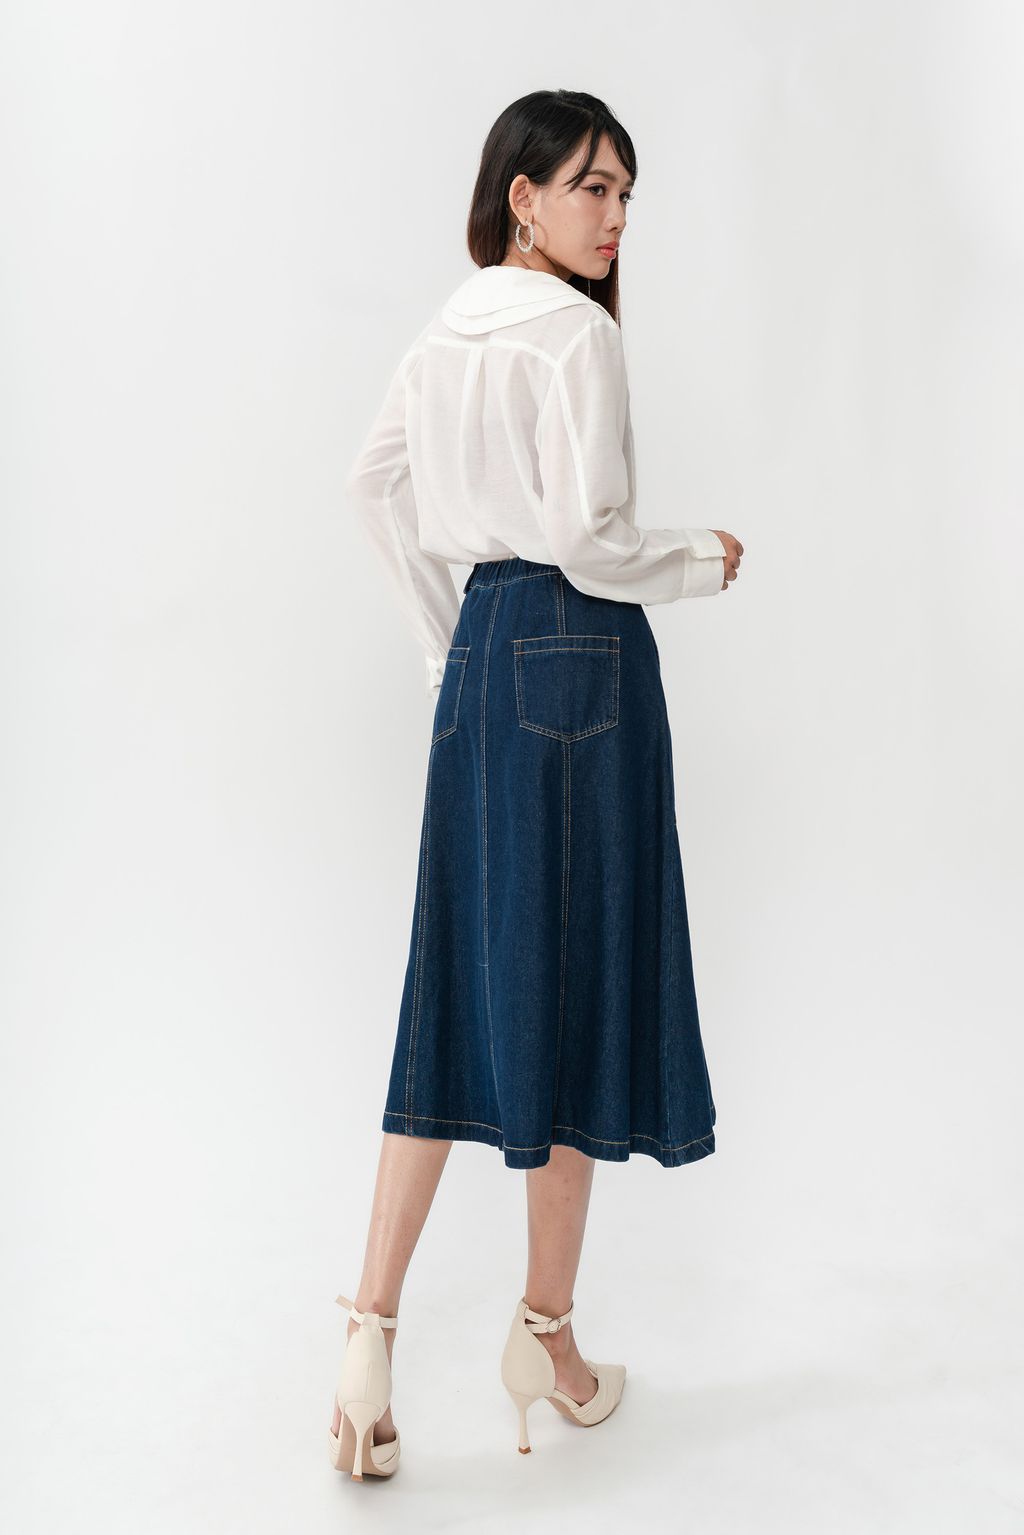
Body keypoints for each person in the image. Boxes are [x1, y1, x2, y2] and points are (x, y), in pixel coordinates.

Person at [328, 89, 743, 1479]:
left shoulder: (448, 327)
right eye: (593, 188)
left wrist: (447, 645)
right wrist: (698, 559)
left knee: (457, 981)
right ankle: (546, 1338)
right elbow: (587, 535)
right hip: (583, 655)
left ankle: (371, 1334)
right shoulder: (573, 332)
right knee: (572, 988)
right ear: (524, 196)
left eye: (626, 195)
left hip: (483, 660)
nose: (615, 218)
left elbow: (373, 485)